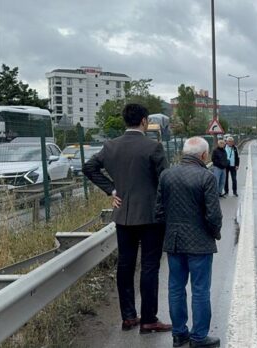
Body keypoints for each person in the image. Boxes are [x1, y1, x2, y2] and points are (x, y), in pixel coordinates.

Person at [82, 103, 172, 334]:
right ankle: (149, 319)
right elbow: (165, 181)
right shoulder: (153, 147)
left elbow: (89, 167)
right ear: (144, 121)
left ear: (125, 121)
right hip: (151, 216)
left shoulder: (110, 146)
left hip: (122, 216)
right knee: (150, 266)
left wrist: (112, 190)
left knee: (125, 265)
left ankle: (129, 317)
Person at [156, 137, 222, 348]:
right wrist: (214, 233)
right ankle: (199, 337)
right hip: (200, 242)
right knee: (200, 289)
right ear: (203, 155)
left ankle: (179, 334)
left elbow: (159, 211)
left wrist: (169, 231)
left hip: (174, 241)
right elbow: (213, 215)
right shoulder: (206, 177)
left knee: (176, 288)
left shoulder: (166, 175)